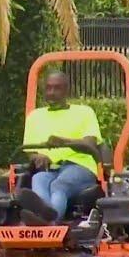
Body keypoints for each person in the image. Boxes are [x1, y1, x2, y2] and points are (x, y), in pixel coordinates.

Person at [20, 71, 103, 223]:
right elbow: (30, 150)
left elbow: (90, 144)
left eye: (57, 88)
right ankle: (43, 218)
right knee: (38, 179)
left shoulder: (84, 113)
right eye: (49, 88)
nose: (51, 93)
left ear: (67, 90)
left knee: (59, 185)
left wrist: (64, 142)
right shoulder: (35, 117)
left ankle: (50, 224)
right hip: (50, 168)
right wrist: (37, 157)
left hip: (80, 167)